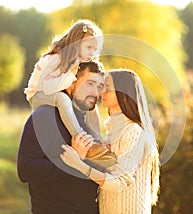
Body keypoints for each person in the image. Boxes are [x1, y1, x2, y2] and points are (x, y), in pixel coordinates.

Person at [61, 69, 161, 214]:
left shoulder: (133, 132)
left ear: (125, 95)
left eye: (107, 89)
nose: (101, 93)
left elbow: (118, 182)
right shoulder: (113, 131)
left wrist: (79, 165)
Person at [17, 60, 106, 214]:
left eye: (99, 87)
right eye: (90, 84)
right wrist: (71, 160)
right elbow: (25, 170)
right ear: (71, 83)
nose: (95, 92)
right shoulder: (45, 116)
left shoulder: (87, 123)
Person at [24, 19, 103, 140]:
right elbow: (48, 88)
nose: (92, 53)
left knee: (89, 100)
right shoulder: (57, 59)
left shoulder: (78, 60)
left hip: (54, 90)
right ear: (77, 44)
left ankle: (98, 139)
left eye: (95, 49)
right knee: (62, 98)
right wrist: (70, 76)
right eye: (89, 47)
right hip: (38, 95)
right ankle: (78, 135)